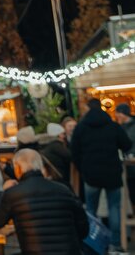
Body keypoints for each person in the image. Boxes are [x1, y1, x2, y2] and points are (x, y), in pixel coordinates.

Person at [0, 149, 88, 255]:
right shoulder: (64, 189)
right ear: (40, 167)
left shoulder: (13, 194)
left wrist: (3, 192)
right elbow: (83, 229)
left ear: (18, 168)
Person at [72, 98, 133, 251]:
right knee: (114, 209)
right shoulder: (112, 125)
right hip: (112, 173)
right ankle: (116, 244)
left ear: (87, 108)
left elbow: (74, 152)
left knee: (91, 211)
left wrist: (83, 169)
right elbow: (126, 145)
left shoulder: (81, 128)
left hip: (91, 174)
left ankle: (93, 243)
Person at [40, 123, 72, 190]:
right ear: (58, 135)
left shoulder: (47, 145)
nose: (64, 136)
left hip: (53, 176)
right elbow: (70, 156)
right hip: (60, 177)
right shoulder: (56, 145)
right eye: (63, 134)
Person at [114, 103, 135, 207]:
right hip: (127, 166)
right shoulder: (119, 127)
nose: (116, 116)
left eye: (117, 113)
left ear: (123, 113)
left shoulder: (131, 127)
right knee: (131, 192)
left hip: (132, 163)